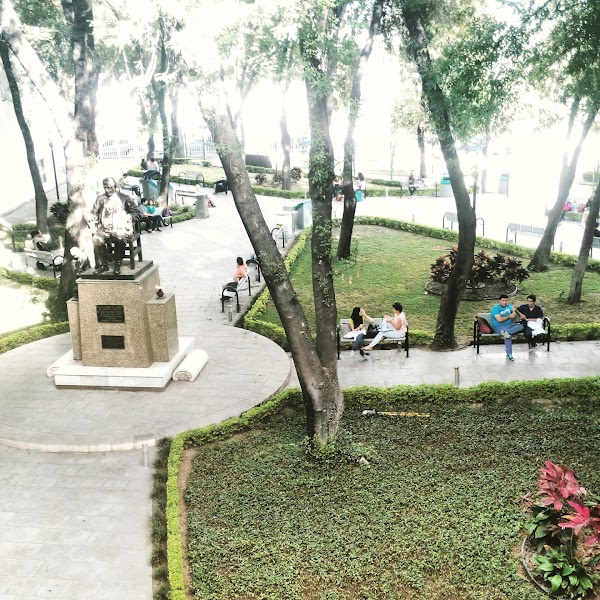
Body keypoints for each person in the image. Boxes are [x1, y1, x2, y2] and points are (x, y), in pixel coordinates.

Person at [90, 177, 142, 275]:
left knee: (119, 237)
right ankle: (104, 265)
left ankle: (118, 264)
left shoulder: (124, 198)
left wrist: (128, 217)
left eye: (110, 187)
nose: (107, 190)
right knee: (96, 238)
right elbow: (93, 213)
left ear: (115, 186)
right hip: (104, 229)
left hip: (120, 228)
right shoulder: (100, 199)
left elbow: (138, 213)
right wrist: (91, 217)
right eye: (105, 187)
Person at [490, 293, 524, 361]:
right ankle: (509, 354)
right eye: (503, 300)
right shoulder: (495, 308)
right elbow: (499, 320)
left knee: (521, 326)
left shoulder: (508, 306)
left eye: (506, 300)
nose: (505, 302)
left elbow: (514, 310)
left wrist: (514, 313)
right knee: (508, 336)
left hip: (509, 326)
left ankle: (507, 332)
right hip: (499, 327)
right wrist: (509, 316)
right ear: (499, 300)